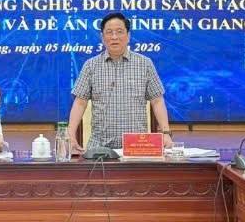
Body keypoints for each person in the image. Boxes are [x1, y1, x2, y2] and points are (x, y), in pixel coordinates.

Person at [67, 12, 171, 152]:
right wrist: (70, 135)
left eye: (119, 31)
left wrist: (166, 133)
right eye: (109, 32)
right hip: (100, 148)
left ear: (128, 36)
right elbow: (80, 102)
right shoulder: (90, 65)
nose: (114, 37)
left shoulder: (145, 63)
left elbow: (157, 100)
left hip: (137, 147)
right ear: (102, 37)